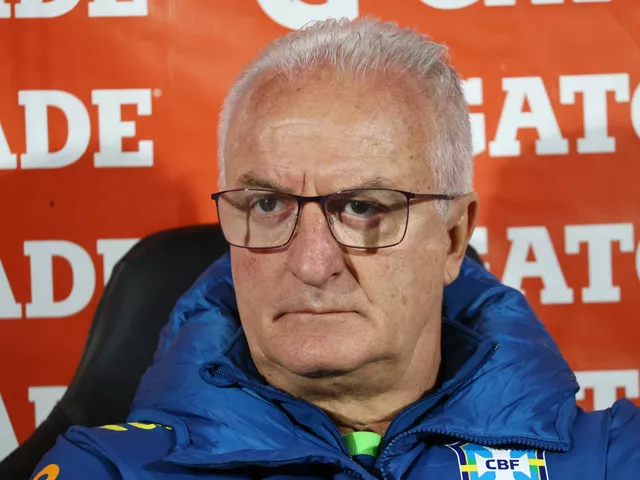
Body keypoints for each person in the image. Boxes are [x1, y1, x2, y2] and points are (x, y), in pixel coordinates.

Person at [32, 17, 639, 480]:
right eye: (267, 204)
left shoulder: (615, 458)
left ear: (453, 238)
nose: (311, 263)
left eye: (364, 207)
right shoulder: (105, 470)